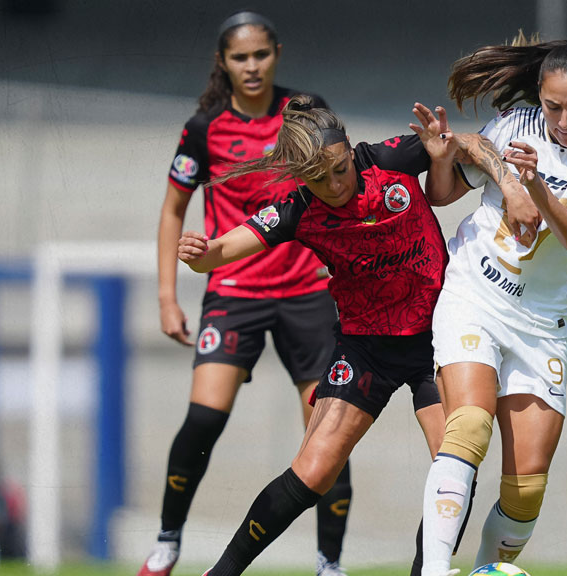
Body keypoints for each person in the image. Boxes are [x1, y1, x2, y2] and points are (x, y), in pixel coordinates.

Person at [178, 95, 462, 576]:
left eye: (338, 169)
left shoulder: (391, 157)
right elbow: (224, 248)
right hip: (366, 346)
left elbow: (467, 151)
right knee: (314, 470)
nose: (333, 186)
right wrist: (200, 253)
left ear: (350, 150)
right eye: (316, 179)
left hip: (438, 337)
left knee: (453, 465)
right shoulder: (297, 210)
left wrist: (460, 160)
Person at [418, 33, 567, 576]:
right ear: (539, 97)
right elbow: (442, 193)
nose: (565, 120)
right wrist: (454, 161)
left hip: (540, 324)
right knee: (468, 426)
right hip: (475, 296)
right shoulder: (514, 126)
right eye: (554, 106)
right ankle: (437, 570)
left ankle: (483, 570)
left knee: (526, 489)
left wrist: (533, 187)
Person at [143, 11, 350, 576]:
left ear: (276, 53)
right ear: (223, 63)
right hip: (234, 290)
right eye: (240, 57)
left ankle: (330, 563)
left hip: (307, 291)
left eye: (261, 55)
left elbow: (341, 185)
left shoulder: (305, 111)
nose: (252, 66)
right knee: (204, 419)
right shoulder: (204, 128)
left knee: (327, 427)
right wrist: (168, 296)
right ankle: (167, 543)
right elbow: (172, 211)